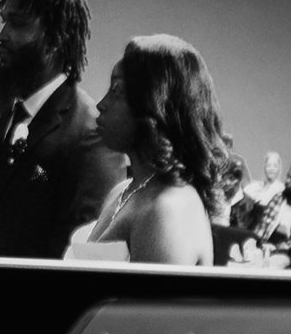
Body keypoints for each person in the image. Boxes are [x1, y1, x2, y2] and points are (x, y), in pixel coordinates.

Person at [0, 0, 125, 260]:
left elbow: (84, 255)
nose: (2, 35)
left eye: (18, 24)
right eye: (4, 20)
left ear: (56, 37)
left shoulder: (90, 134)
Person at [79, 35, 225, 267]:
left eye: (116, 90)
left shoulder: (168, 209)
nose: (101, 104)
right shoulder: (123, 191)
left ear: (155, 105)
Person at [256, 162, 291, 244]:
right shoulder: (278, 198)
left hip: (287, 246)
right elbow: (262, 225)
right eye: (287, 177)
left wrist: (286, 246)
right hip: (266, 242)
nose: (287, 181)